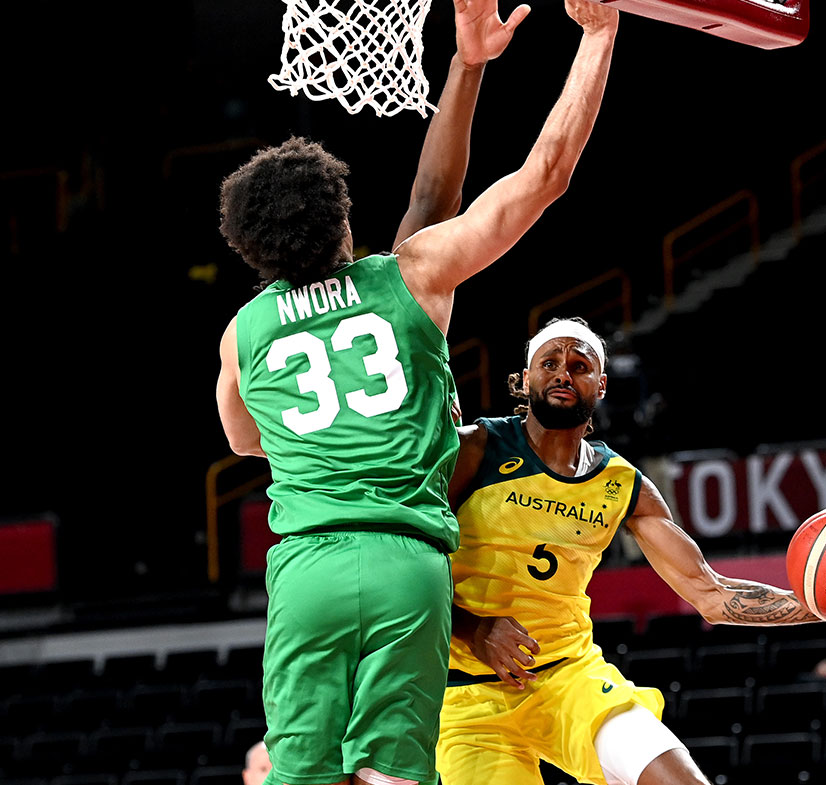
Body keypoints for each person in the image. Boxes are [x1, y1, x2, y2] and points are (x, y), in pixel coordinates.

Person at [213, 0, 620, 782]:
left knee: (296, 772)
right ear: (341, 221)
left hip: (306, 566)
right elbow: (545, 176)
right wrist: (597, 36)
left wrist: (468, 67)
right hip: (408, 562)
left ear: (254, 247)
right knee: (395, 773)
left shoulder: (243, 332)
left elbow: (243, 439)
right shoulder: (408, 277)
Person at [437, 318, 826, 785]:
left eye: (579, 365)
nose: (564, 373)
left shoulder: (622, 485)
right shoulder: (477, 449)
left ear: (600, 385)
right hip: (466, 695)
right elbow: (403, 563)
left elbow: (712, 595)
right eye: (550, 362)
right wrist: (474, 628)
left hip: (568, 677)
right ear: (525, 379)